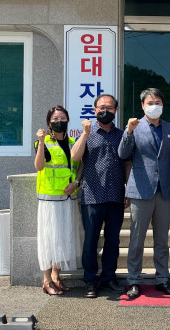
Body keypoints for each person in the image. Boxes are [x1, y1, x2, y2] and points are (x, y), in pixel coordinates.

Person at [118, 88, 170, 299]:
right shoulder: (134, 128)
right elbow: (123, 154)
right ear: (143, 105)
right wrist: (128, 132)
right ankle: (134, 280)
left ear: (162, 105)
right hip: (140, 190)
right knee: (137, 239)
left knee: (162, 240)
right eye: (150, 102)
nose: (154, 105)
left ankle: (162, 279)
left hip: (164, 191)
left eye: (158, 101)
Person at [71, 94, 129, 298]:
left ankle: (109, 277)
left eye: (110, 108)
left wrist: (128, 189)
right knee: (91, 241)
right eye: (101, 107)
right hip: (92, 194)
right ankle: (90, 280)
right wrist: (85, 134)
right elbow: (75, 156)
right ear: (94, 110)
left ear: (116, 110)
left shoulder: (122, 135)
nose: (105, 111)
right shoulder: (87, 132)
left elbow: (127, 163)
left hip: (115, 194)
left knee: (113, 240)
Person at [34, 105, 82, 296]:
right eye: (54, 119)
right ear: (48, 122)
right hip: (50, 199)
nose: (58, 121)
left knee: (62, 239)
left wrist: (76, 183)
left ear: (68, 121)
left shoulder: (72, 142)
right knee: (49, 240)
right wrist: (39, 141)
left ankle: (56, 276)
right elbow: (39, 166)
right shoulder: (43, 141)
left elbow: (80, 165)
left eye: (62, 118)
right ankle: (46, 280)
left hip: (68, 197)